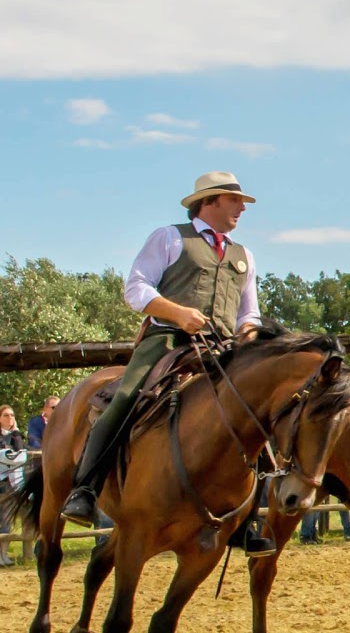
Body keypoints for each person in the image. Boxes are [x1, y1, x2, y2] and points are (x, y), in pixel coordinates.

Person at [57, 171, 274, 557]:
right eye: (235, 201)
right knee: (127, 397)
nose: (242, 208)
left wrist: (249, 337)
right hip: (167, 341)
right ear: (209, 202)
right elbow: (136, 288)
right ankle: (85, 489)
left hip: (221, 348)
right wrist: (177, 313)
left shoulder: (245, 255)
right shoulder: (170, 237)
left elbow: (249, 312)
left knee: (256, 414)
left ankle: (244, 518)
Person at [0, 404, 26, 566]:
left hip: (10, 484)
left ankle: (3, 555)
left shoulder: (15, 435)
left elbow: (20, 453)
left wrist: (15, 432)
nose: (10, 418)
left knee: (7, 520)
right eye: (6, 415)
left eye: (12, 415)